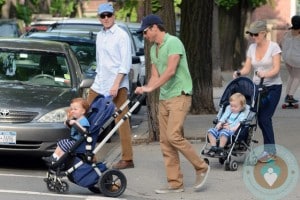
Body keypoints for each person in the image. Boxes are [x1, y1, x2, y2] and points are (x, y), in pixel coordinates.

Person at [135, 14, 210, 194]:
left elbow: (170, 71)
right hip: (165, 97)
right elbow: (155, 75)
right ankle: (175, 183)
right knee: (165, 141)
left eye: (145, 32)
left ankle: (202, 167)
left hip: (180, 95)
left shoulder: (173, 42)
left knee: (173, 135)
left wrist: (149, 89)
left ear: (154, 28)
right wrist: (146, 87)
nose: (144, 36)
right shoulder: (154, 49)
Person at [86, 3, 134, 169]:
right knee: (86, 115)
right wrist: (96, 82)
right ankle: (87, 154)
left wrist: (115, 85)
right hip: (100, 83)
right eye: (102, 16)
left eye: (109, 15)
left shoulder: (121, 35)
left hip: (118, 85)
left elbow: (125, 64)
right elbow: (100, 63)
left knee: (121, 121)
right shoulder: (100, 36)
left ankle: (127, 158)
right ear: (99, 18)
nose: (106, 18)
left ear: (114, 15)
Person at [233, 20, 282, 163]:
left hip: (273, 88)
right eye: (251, 34)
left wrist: (265, 74)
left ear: (263, 33)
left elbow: (276, 69)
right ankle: (238, 143)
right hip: (256, 87)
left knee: (264, 118)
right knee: (246, 115)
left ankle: (271, 152)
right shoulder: (251, 48)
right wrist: (239, 73)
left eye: (255, 34)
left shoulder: (274, 47)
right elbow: (247, 68)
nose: (253, 37)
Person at [42, 98, 90, 164]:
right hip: (73, 140)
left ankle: (59, 160)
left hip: (78, 142)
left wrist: (75, 123)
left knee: (65, 145)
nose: (72, 111)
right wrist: (68, 121)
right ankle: (54, 157)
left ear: (83, 111)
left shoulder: (84, 121)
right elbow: (71, 127)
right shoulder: (76, 119)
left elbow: (85, 131)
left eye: (75, 109)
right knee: (61, 142)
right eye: (72, 109)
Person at [207, 93, 248, 157]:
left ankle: (221, 149)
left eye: (235, 106)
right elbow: (223, 118)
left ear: (242, 107)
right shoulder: (229, 111)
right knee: (210, 131)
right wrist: (219, 124)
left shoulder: (242, 115)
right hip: (222, 129)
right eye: (231, 106)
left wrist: (230, 128)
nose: (232, 108)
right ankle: (213, 147)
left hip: (232, 132)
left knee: (224, 132)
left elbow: (239, 125)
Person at [281, 15, 300, 103]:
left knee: (292, 76)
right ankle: (290, 96)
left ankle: (287, 95)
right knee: (297, 77)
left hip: (286, 57)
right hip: (297, 59)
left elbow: (281, 43)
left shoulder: (287, 32)